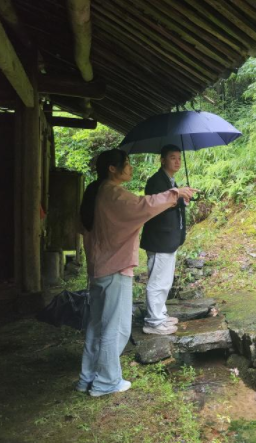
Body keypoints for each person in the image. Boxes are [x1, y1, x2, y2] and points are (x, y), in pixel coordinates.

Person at [77, 149, 196, 397]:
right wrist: (175, 194)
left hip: (100, 268)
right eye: (127, 163)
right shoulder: (113, 193)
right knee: (114, 327)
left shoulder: (97, 192)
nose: (130, 167)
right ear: (113, 168)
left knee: (97, 326)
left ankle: (88, 377)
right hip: (114, 268)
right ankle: (106, 382)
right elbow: (142, 206)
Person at [140, 144, 188, 335]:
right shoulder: (156, 181)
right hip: (160, 238)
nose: (177, 161)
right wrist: (177, 198)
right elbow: (155, 206)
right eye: (172, 158)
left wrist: (181, 199)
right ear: (162, 160)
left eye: (179, 158)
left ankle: (160, 313)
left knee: (164, 280)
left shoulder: (170, 181)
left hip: (169, 238)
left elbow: (171, 203)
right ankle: (153, 322)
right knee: (158, 281)